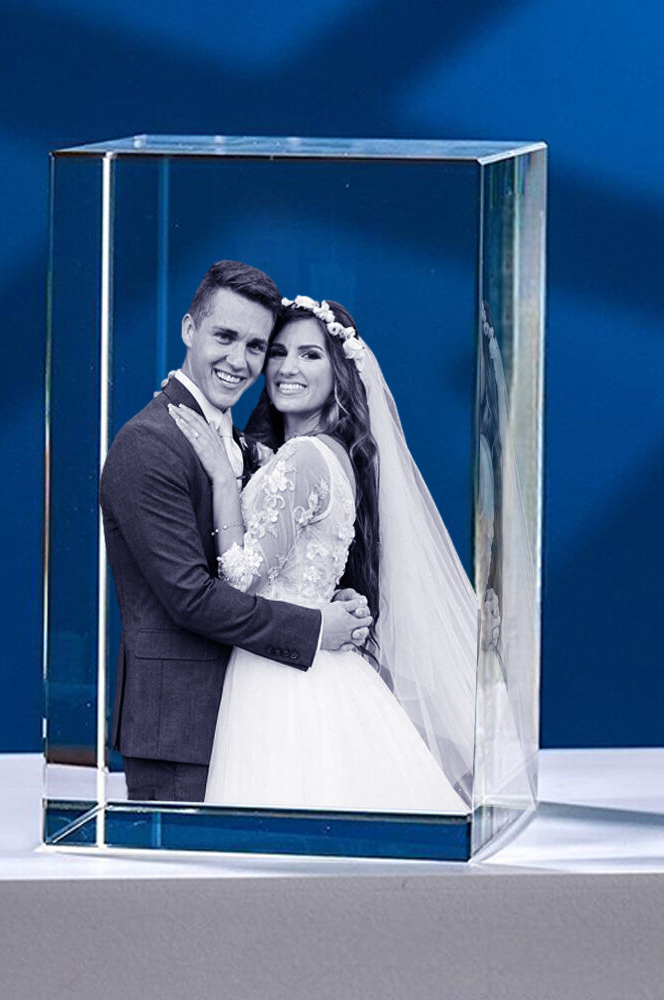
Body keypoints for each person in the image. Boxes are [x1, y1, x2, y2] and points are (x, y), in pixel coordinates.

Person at [168, 295, 478, 813]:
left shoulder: (305, 457)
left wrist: (222, 478)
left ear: (339, 372)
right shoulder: (318, 454)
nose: (287, 368)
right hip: (308, 661)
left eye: (309, 355)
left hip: (283, 677)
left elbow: (241, 580)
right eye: (278, 352)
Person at [99, 263, 372, 804]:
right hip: (181, 727)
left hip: (259, 708)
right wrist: (316, 624)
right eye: (224, 337)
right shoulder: (148, 444)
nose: (239, 361)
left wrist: (324, 593)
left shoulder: (245, 443)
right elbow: (191, 598)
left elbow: (267, 555)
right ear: (188, 329)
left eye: (255, 346)